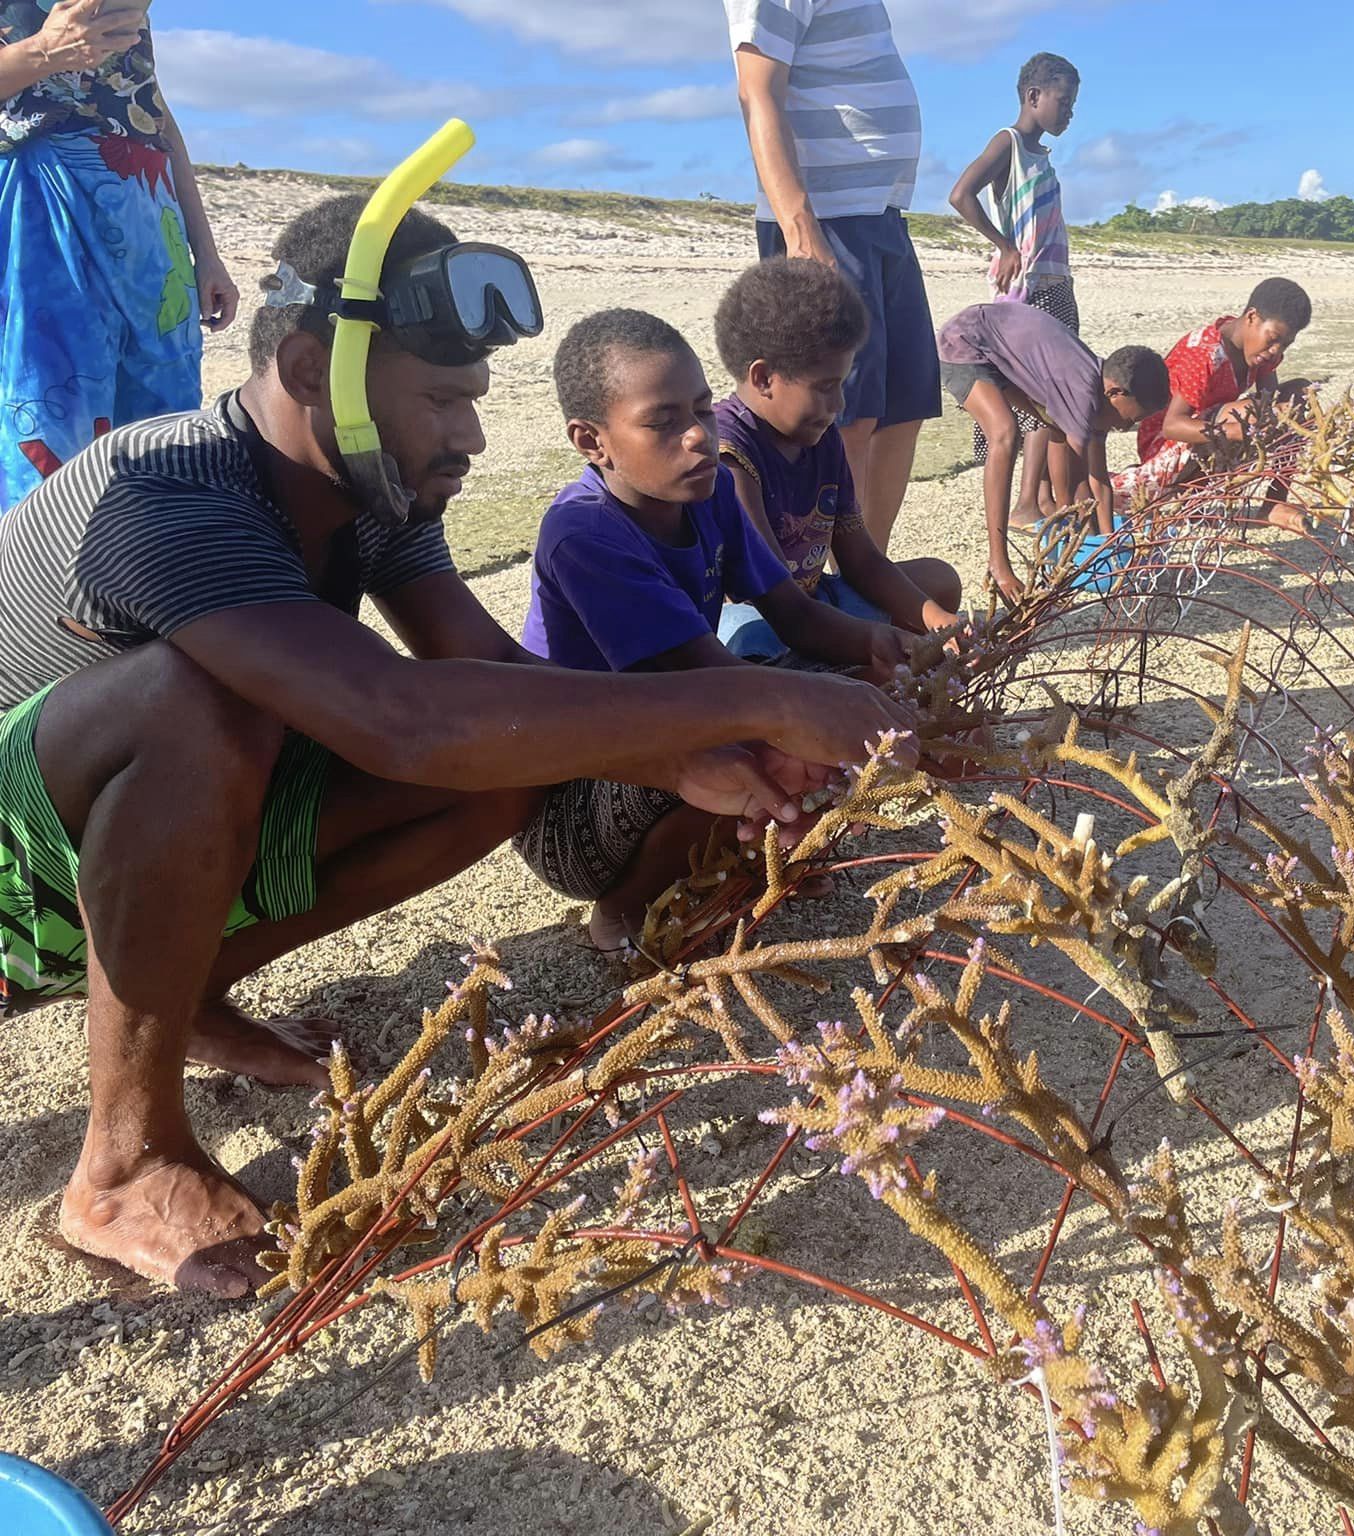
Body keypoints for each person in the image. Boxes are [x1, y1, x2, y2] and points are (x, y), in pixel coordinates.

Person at [0, 196, 912, 1297]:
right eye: (441, 400)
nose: (471, 436)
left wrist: (675, 761)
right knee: (194, 698)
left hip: (109, 857)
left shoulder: (370, 487)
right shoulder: (169, 487)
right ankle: (123, 1163)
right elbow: (401, 716)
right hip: (21, 870)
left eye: (472, 399)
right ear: (306, 368)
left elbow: (490, 685)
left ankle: (184, 996)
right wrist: (748, 705)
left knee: (498, 780)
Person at [520, 307, 927, 952]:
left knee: (830, 685)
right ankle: (621, 910)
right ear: (592, 443)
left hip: (685, 705)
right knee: (756, 728)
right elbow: (706, 678)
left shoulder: (708, 497)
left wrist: (889, 651)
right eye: (662, 422)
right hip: (582, 793)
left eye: (704, 411)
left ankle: (748, 860)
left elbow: (794, 614)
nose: (698, 437)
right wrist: (833, 712)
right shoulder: (585, 533)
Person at [0, 0, 238, 511]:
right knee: (50, 423)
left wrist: (205, 250)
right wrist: (42, 52)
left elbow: (152, 109)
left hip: (150, 211)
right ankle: (41, 583)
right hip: (44, 206)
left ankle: (155, 580)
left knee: (163, 438)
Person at [726, 0, 939, 556]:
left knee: (903, 408)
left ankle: (870, 580)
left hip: (882, 216)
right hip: (828, 219)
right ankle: (820, 588)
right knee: (845, 415)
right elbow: (757, 90)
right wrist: (801, 230)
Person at [710, 258, 962, 665]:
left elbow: (861, 559)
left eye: (841, 384)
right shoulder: (730, 456)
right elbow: (776, 597)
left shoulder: (821, 437)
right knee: (748, 644)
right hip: (765, 617)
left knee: (938, 582)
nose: (840, 404)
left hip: (815, 601)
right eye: (826, 387)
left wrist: (938, 621)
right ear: (763, 378)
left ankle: (845, 674)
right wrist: (872, 640)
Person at [935, 301, 1168, 601]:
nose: (1126, 428)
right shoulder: (1082, 392)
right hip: (966, 341)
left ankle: (1059, 556)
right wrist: (1082, 536)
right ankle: (998, 565)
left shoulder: (1101, 394)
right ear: (1116, 393)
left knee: (1053, 427)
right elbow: (1076, 486)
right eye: (1131, 419)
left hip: (1003, 351)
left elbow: (1100, 481)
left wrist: (1111, 551)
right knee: (1005, 432)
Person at [949, 50, 1082, 523]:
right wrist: (1004, 245)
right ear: (1033, 96)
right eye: (1063, 101)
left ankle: (1042, 495)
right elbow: (960, 194)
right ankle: (1028, 501)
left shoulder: (1038, 155)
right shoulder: (1008, 143)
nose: (1069, 112)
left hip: (1054, 283)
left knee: (1048, 392)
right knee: (1048, 394)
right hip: (1032, 289)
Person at [1116, 278, 1314, 531]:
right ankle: (1189, 494)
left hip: (1211, 431)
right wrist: (1234, 431)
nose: (1276, 350)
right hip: (1166, 445)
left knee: (1299, 394)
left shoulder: (1262, 352)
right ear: (1251, 317)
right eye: (1273, 339)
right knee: (1253, 415)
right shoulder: (1206, 354)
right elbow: (1171, 426)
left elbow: (1271, 400)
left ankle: (1274, 502)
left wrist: (1284, 419)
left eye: (1285, 344)